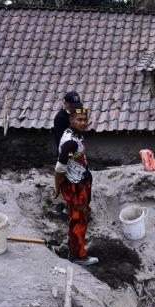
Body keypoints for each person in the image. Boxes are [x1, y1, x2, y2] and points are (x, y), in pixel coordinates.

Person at [54, 106, 99, 266]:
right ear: (71, 120)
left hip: (79, 182)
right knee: (79, 220)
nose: (83, 123)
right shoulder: (70, 141)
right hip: (75, 186)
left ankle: (73, 247)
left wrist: (78, 158)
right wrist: (57, 186)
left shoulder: (74, 136)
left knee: (78, 217)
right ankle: (78, 255)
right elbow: (60, 167)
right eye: (79, 120)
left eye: (85, 120)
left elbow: (71, 155)